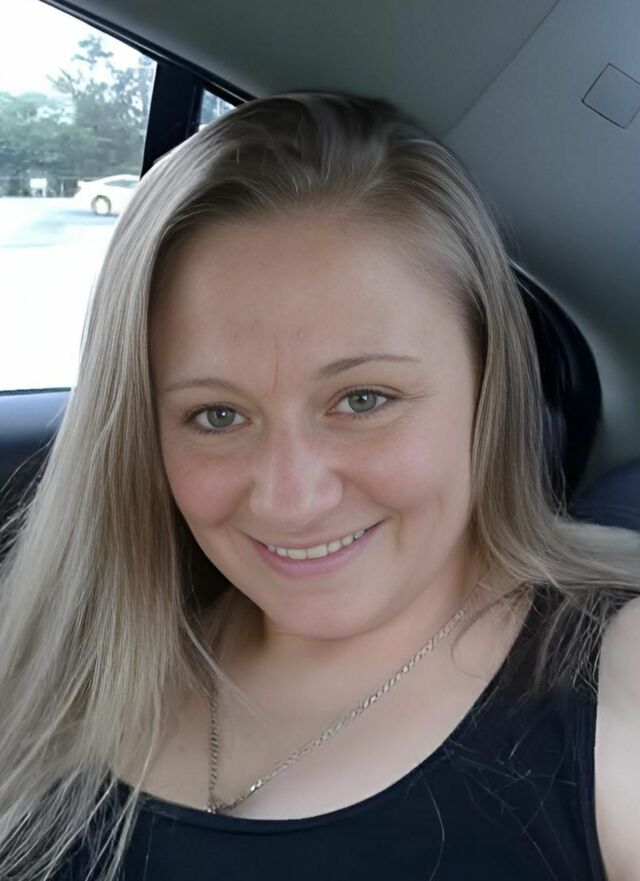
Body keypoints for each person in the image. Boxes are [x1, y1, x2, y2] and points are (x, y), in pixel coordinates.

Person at [0, 91, 638, 881]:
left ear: (489, 386)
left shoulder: (616, 681)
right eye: (217, 415)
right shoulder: (70, 665)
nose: (290, 499)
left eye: (363, 399)